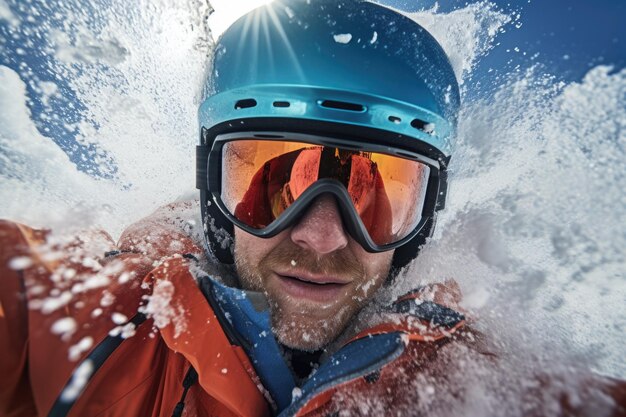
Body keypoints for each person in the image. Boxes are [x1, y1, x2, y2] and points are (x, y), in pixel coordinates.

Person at [0, 0, 624, 416]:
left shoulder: (482, 385)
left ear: (423, 218)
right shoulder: (85, 312)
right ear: (211, 192)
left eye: (373, 201)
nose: (323, 236)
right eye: (268, 186)